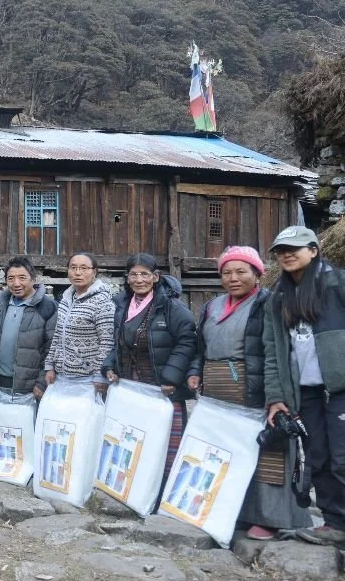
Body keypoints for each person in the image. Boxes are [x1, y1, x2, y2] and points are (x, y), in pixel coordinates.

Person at [190, 246, 308, 541]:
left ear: (258, 274)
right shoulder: (212, 306)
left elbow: (276, 354)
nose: (233, 278)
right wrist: (195, 372)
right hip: (218, 388)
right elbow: (199, 346)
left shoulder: (269, 304)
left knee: (267, 449)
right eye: (227, 272)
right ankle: (231, 512)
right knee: (226, 450)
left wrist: (276, 397)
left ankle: (269, 518)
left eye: (241, 271)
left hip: (255, 385)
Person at [263, 226, 345, 546]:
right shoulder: (279, 297)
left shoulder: (338, 283)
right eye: (281, 249)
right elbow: (274, 352)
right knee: (318, 457)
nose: (286, 253)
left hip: (340, 389)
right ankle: (334, 522)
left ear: (313, 250)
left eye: (295, 248)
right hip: (306, 392)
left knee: (342, 458)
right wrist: (276, 398)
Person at [103, 253, 196, 477]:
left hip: (164, 388)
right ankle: (136, 489)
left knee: (165, 445)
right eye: (133, 275)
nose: (139, 280)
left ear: (155, 277)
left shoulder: (171, 307)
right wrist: (109, 367)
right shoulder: (122, 306)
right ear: (127, 278)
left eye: (144, 274)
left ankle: (163, 494)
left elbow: (188, 341)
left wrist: (171, 378)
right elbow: (117, 342)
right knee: (135, 440)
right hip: (132, 386)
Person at [0, 256, 56, 398]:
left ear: (33, 279)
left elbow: (51, 348)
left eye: (22, 278)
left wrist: (41, 383)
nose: (16, 283)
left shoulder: (47, 307)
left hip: (28, 384)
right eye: (10, 278)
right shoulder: (2, 303)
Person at [44, 252, 115, 393]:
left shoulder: (102, 302)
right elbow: (58, 334)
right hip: (62, 376)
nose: (78, 273)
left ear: (94, 272)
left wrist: (99, 375)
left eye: (84, 268)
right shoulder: (66, 299)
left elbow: (107, 342)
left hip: (88, 379)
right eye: (73, 267)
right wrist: (50, 365)